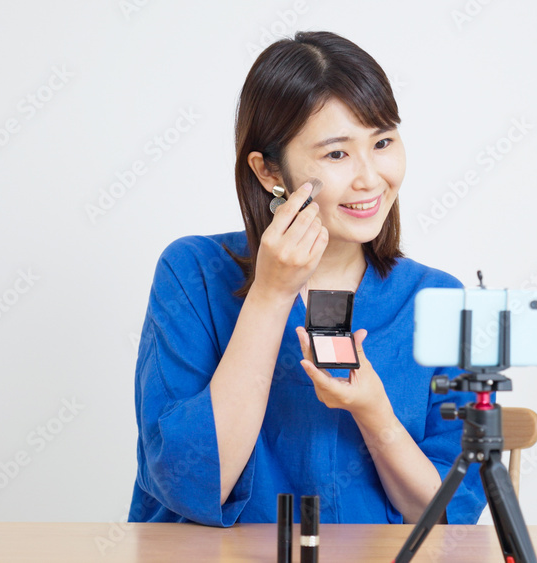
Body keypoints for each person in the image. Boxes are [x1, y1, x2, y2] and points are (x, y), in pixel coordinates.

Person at [128, 31, 487, 527]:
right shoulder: (193, 272)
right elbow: (189, 486)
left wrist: (375, 413)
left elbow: (447, 517)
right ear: (270, 171)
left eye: (382, 142)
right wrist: (270, 295)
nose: (369, 178)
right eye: (337, 154)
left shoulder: (437, 299)